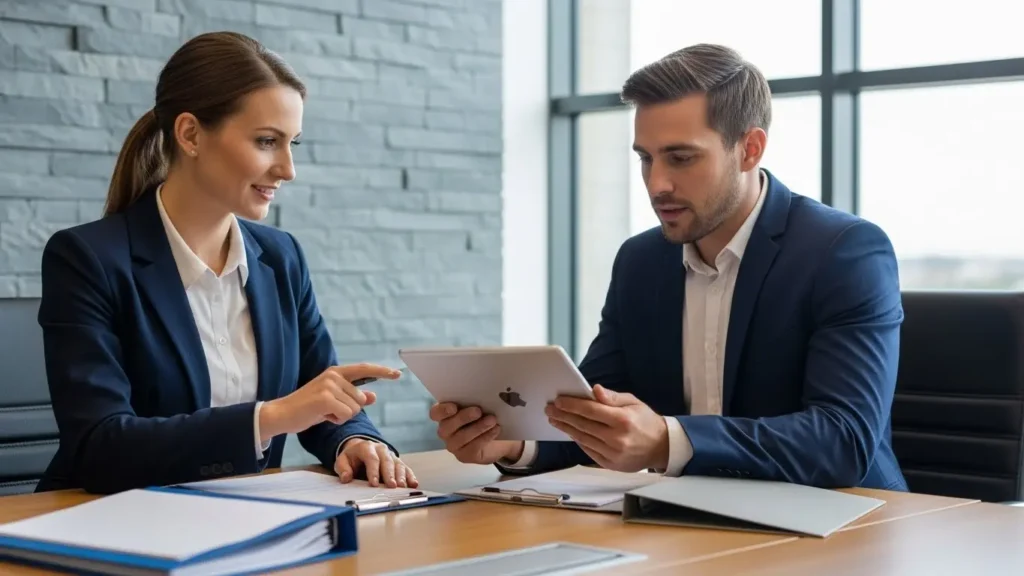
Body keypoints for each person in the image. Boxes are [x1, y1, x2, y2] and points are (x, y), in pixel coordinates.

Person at [430, 43, 908, 491]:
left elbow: (844, 439)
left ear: (750, 149)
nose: (657, 184)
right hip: (687, 518)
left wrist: (667, 440)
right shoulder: (641, 262)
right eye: (646, 159)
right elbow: (597, 413)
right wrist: (515, 443)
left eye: (681, 158)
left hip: (845, 524)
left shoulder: (843, 252)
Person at [35, 32, 417, 494]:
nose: (288, 168)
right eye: (266, 141)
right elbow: (100, 446)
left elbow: (320, 396)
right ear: (191, 134)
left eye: (292, 142)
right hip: (109, 524)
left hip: (243, 518)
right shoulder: (87, 259)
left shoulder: (281, 257)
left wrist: (353, 438)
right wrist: (273, 417)